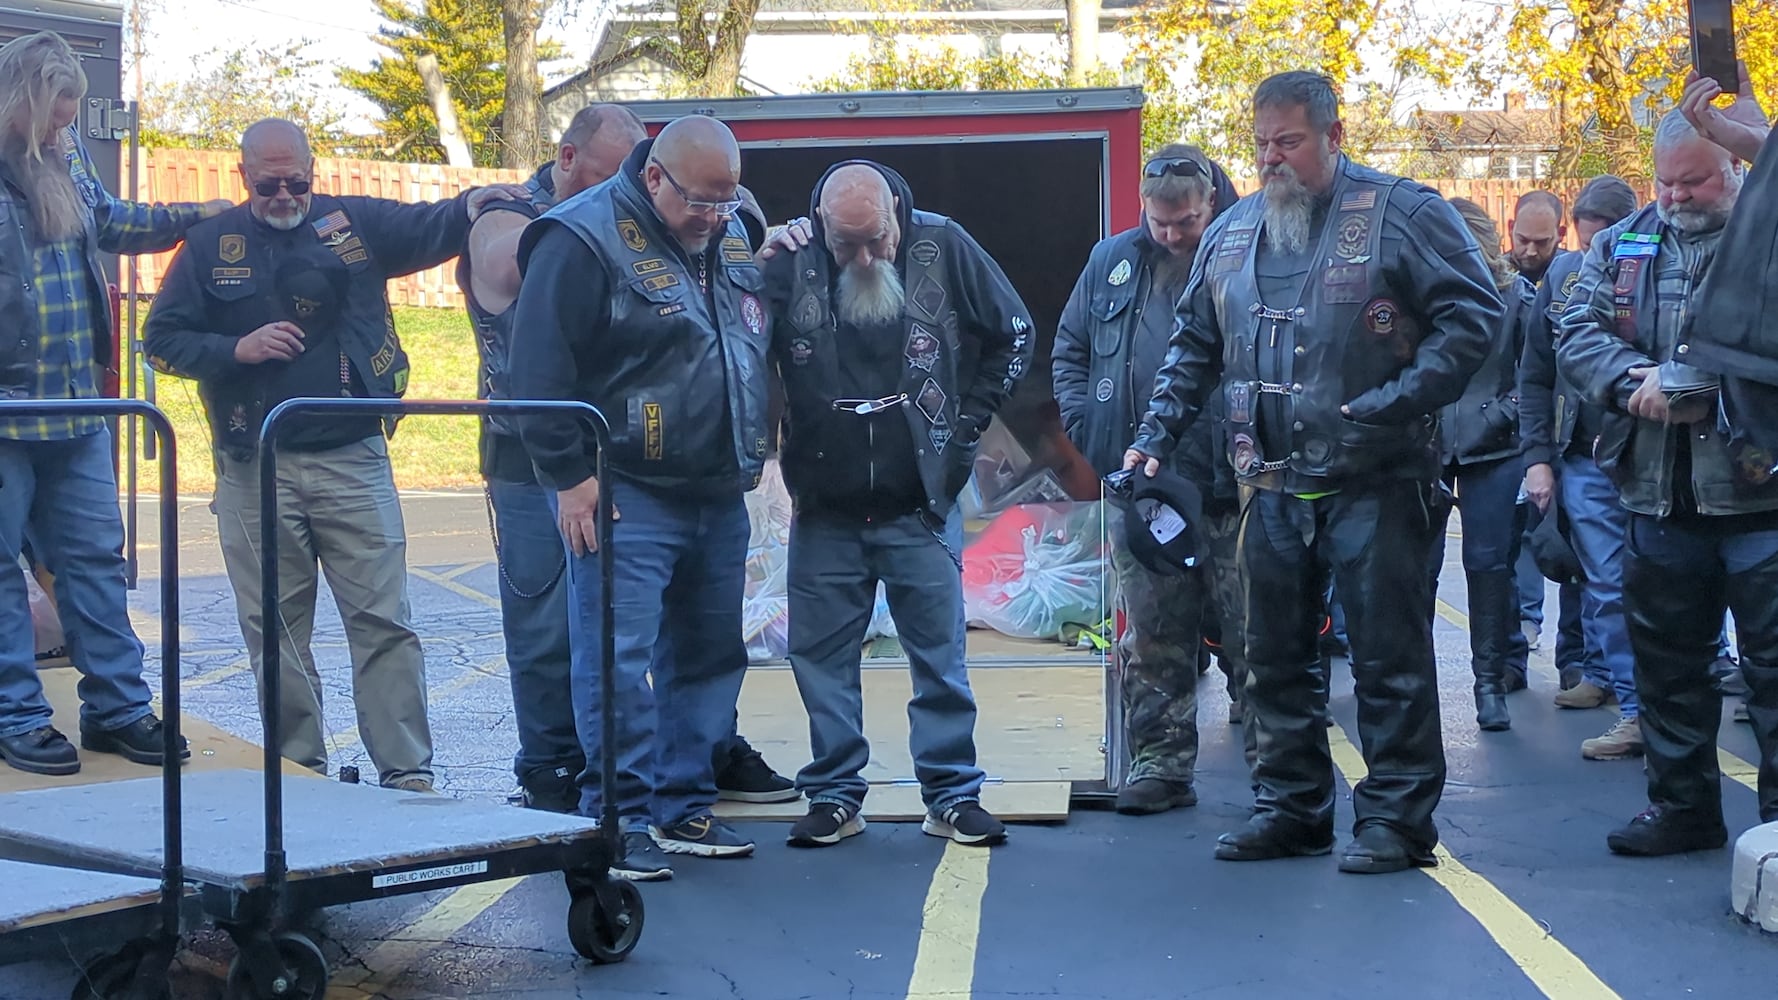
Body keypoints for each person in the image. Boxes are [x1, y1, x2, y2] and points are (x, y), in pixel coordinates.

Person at [1125, 71, 1501, 873]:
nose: (1272, 159)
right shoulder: (1231, 232)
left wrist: (1396, 400)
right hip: (1267, 485)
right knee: (1270, 657)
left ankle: (1396, 822)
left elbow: (1475, 318)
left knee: (1388, 657)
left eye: (1288, 141)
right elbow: (1194, 343)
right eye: (1261, 144)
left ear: (1334, 134)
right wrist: (1152, 437)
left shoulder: (1405, 212)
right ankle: (1291, 808)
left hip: (1379, 480)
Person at [143, 118, 524, 792]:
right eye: (270, 183)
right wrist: (237, 348)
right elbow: (161, 339)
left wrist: (475, 204)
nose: (285, 194)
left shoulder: (353, 224)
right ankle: (298, 775)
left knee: (385, 622)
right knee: (276, 633)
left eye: (298, 181)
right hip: (252, 462)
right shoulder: (209, 244)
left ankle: (408, 774)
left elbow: (430, 224)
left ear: (314, 172)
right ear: (243, 175)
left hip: (354, 456)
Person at [507, 115, 769, 880]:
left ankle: (685, 804)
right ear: (654, 176)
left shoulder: (732, 226)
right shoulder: (577, 239)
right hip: (624, 493)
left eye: (727, 199)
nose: (715, 216)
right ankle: (614, 818)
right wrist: (569, 478)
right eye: (701, 201)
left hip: (718, 487)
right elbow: (537, 375)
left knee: (710, 655)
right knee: (616, 661)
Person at [761, 160, 1033, 848]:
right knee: (820, 657)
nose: (862, 257)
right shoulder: (793, 261)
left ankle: (949, 793)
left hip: (920, 503)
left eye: (875, 241)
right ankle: (834, 794)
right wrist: (755, 255)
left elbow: (1014, 332)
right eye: (844, 244)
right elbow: (735, 340)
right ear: (820, 224)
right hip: (825, 504)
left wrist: (966, 430)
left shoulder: (942, 245)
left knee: (939, 657)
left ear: (896, 218)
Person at [0, 32, 229, 775]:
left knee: (96, 559)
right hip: (5, 410)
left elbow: (116, 224)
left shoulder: (67, 159)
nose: (64, 130)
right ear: (19, 103)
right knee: (3, 569)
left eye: (71, 117)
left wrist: (201, 216)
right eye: (53, 116)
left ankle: (117, 708)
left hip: (76, 407)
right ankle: (16, 714)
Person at [1557, 99, 1778, 855]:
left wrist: (1710, 383)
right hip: (1656, 491)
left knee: (1773, 671)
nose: (1676, 198)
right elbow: (1575, 331)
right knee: (1666, 664)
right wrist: (1633, 380)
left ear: (1735, 170)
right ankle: (1683, 808)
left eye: (1695, 184)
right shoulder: (1622, 243)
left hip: (1761, 495)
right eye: (1665, 184)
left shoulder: (1770, 235)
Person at [1053, 143, 1241, 813]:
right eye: (1159, 222)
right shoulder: (1112, 262)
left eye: (1185, 221)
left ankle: (1281, 763)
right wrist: (1090, 431)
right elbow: (1070, 349)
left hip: (1231, 485)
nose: (1171, 235)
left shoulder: (1246, 253)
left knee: (1251, 626)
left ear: (1210, 203)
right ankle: (1160, 764)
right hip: (1142, 483)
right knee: (1154, 633)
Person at [1519, 177, 1648, 755]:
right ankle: (1627, 697)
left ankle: (1634, 693)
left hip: (1653, 449)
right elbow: (1534, 375)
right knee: (1604, 580)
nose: (1594, 256)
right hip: (1585, 455)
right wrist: (1538, 460)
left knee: (1650, 582)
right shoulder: (1561, 282)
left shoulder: (1661, 273)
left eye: (1605, 244)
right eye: (1586, 242)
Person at [1429, 198, 1536, 732]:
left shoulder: (1517, 297)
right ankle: (1415, 684)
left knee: (1488, 565)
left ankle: (1489, 683)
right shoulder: (1417, 293)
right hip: (1427, 442)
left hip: (1495, 443)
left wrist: (1499, 415)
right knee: (1416, 568)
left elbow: (1535, 378)